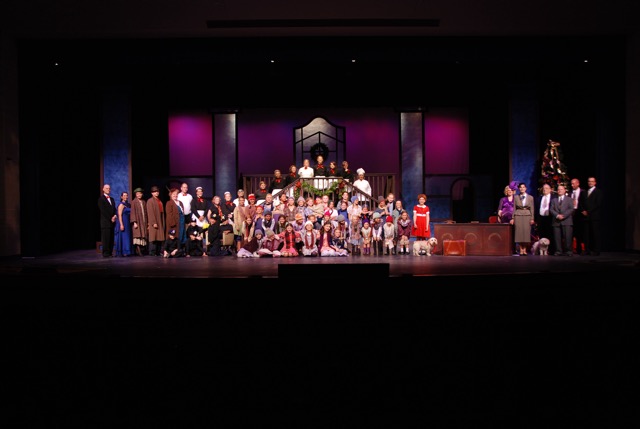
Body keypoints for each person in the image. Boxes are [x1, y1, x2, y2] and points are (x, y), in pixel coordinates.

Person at [550, 184, 574, 256]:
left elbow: (571, 209)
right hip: (556, 221)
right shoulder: (554, 200)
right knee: (557, 238)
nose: (559, 190)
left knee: (567, 237)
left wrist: (563, 216)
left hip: (567, 221)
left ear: (564, 190)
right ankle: (558, 251)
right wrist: (557, 215)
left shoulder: (569, 199)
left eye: (561, 189)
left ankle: (568, 251)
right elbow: (551, 209)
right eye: (558, 189)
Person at [512, 182, 535, 255]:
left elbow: (532, 208)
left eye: (523, 187)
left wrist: (532, 218)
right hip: (518, 215)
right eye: (520, 187)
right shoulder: (516, 197)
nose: (522, 188)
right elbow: (514, 208)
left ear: (526, 188)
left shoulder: (530, 197)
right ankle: (520, 249)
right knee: (519, 233)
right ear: (519, 189)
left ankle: (525, 249)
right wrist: (513, 218)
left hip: (527, 215)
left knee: (526, 232)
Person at [583, 176, 603, 256]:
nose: (590, 182)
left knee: (595, 234)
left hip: (594, 216)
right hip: (585, 217)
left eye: (592, 181)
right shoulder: (584, 192)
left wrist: (588, 211)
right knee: (586, 234)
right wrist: (583, 211)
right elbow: (581, 203)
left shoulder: (598, 192)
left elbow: (598, 204)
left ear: (595, 183)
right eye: (589, 181)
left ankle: (596, 250)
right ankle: (587, 250)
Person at [534, 183, 555, 254]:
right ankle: (542, 251)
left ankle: (551, 250)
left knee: (550, 234)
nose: (544, 190)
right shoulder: (539, 198)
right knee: (542, 235)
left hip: (550, 219)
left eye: (546, 188)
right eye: (543, 188)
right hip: (541, 219)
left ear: (550, 189)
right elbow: (536, 209)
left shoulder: (554, 198)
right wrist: (535, 220)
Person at [98, 184, 117, 258]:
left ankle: (110, 252)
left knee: (111, 238)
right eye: (106, 188)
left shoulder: (112, 199)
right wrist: (111, 218)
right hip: (105, 222)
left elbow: (114, 209)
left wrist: (115, 215)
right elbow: (103, 211)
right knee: (106, 239)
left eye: (109, 188)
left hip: (112, 222)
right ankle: (105, 253)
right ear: (103, 189)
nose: (108, 189)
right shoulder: (101, 199)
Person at [570, 178, 588, 255]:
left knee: (580, 232)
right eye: (571, 183)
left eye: (573, 183)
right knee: (573, 232)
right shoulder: (570, 193)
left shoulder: (583, 192)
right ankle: (572, 249)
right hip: (572, 213)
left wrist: (584, 210)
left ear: (578, 183)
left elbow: (586, 202)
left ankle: (581, 249)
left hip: (580, 213)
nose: (572, 185)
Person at [165, 187, 187, 252]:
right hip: (175, 223)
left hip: (181, 221)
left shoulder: (180, 202)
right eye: (173, 194)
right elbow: (169, 214)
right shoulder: (169, 203)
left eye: (176, 194)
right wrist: (172, 223)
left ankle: (181, 250)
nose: (175, 195)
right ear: (170, 195)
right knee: (176, 235)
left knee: (182, 235)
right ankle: (175, 250)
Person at [146, 185, 166, 256]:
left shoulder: (159, 201)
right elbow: (150, 212)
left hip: (159, 219)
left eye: (157, 191)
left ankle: (158, 251)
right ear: (152, 193)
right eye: (154, 192)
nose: (156, 193)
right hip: (155, 221)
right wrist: (153, 222)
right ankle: (152, 252)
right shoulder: (150, 201)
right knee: (153, 237)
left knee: (159, 237)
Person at [129, 187, 148, 256]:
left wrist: (147, 222)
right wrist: (134, 222)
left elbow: (146, 212)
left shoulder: (143, 202)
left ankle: (142, 250)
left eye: (140, 193)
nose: (139, 195)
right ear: (135, 194)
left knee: (142, 235)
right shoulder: (134, 202)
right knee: (137, 236)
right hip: (137, 221)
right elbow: (133, 212)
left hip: (143, 221)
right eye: (137, 194)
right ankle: (138, 251)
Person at [114, 191, 133, 257]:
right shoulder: (121, 204)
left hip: (127, 222)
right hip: (123, 222)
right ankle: (123, 251)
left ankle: (127, 251)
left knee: (127, 237)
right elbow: (119, 215)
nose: (126, 197)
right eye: (124, 195)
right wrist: (121, 224)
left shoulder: (128, 204)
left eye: (126, 195)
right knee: (124, 237)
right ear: (121, 197)